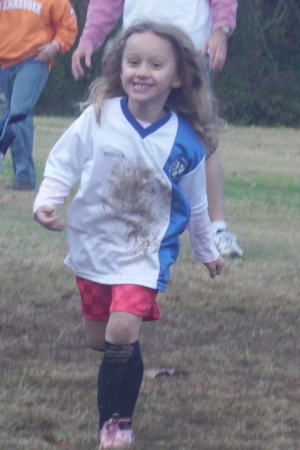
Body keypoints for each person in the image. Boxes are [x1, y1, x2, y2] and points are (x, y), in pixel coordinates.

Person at [34, 21, 225, 449]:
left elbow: (195, 204)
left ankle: (115, 425)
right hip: (93, 246)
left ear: (176, 77)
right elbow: (64, 163)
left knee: (122, 330)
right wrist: (46, 201)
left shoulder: (186, 141)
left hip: (146, 251)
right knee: (101, 339)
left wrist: (207, 249)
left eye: (155, 64)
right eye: (133, 61)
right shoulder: (98, 117)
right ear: (120, 68)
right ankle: (125, 368)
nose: (142, 71)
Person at [71, 0, 243, 259]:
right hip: (139, 55)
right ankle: (123, 223)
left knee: (200, 142)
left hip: (191, 53)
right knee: (125, 137)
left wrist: (221, 30)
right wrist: (89, 39)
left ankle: (216, 229)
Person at [0, 0, 78, 190]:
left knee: (19, 114)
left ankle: (24, 176)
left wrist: (55, 46)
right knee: (6, 116)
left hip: (33, 61)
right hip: (3, 61)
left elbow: (68, 26)